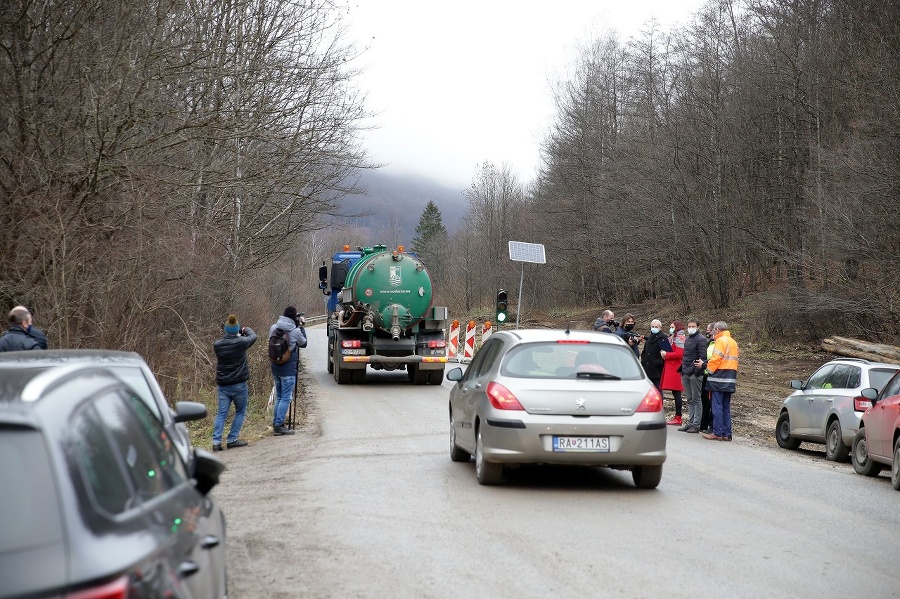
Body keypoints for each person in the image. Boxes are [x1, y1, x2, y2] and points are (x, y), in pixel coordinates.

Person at [212, 314, 257, 451]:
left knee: (221, 413)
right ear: (237, 329)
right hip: (239, 384)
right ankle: (232, 439)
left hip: (223, 385)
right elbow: (253, 337)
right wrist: (245, 329)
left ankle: (216, 441)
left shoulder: (217, 345)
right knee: (240, 411)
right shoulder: (241, 343)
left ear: (226, 330)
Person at [697, 321, 740, 442]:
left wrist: (706, 367)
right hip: (730, 378)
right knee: (726, 407)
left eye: (713, 331)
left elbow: (716, 360)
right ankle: (727, 433)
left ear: (717, 330)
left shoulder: (720, 341)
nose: (712, 333)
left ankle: (717, 432)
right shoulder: (733, 342)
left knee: (717, 406)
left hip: (718, 378)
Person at [269, 306, 307, 436]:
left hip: (275, 367)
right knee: (286, 397)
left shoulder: (273, 328)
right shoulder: (295, 331)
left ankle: (276, 423)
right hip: (288, 369)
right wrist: (301, 327)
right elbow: (304, 343)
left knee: (279, 397)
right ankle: (279, 425)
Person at [678, 318, 709, 433]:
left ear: (698, 327)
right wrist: (684, 371)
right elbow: (686, 356)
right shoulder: (688, 339)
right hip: (686, 372)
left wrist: (695, 373)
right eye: (689, 326)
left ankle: (696, 424)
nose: (690, 328)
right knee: (690, 399)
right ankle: (690, 422)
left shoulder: (701, 340)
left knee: (696, 399)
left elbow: (702, 357)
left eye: (693, 326)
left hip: (694, 374)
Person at [660, 320, 686, 425]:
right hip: (672, 367)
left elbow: (679, 354)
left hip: (676, 368)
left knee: (677, 393)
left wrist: (666, 354)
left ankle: (678, 417)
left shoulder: (679, 339)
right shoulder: (673, 338)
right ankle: (677, 417)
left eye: (672, 327)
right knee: (675, 393)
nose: (670, 328)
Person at [640, 318, 667, 393]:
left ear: (660, 328)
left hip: (657, 370)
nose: (654, 328)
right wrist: (644, 361)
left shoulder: (664, 338)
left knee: (658, 390)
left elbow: (667, 353)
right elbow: (644, 351)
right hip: (647, 368)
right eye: (652, 326)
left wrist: (658, 362)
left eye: (656, 327)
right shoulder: (649, 338)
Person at [699, 323, 715, 433]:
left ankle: (711, 425)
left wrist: (704, 364)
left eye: (708, 330)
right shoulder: (709, 343)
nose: (707, 332)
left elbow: (714, 360)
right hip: (705, 373)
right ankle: (703, 424)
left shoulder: (718, 344)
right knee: (704, 400)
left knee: (711, 402)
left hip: (712, 375)